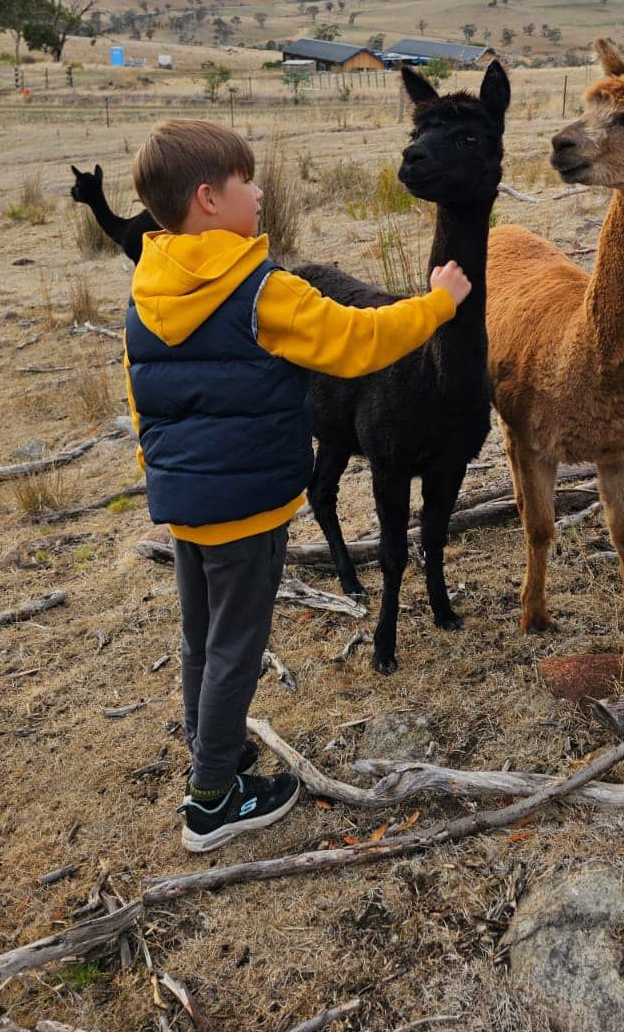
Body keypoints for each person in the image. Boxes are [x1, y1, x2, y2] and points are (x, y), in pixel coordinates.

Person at [124, 120, 471, 848]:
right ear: (209, 199)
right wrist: (438, 304)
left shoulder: (148, 287)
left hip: (186, 504)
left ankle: (208, 750)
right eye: (248, 180)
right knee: (235, 650)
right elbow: (357, 341)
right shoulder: (262, 292)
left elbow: (145, 399)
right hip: (245, 510)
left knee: (201, 641)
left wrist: (167, 478)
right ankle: (213, 800)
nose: (260, 190)